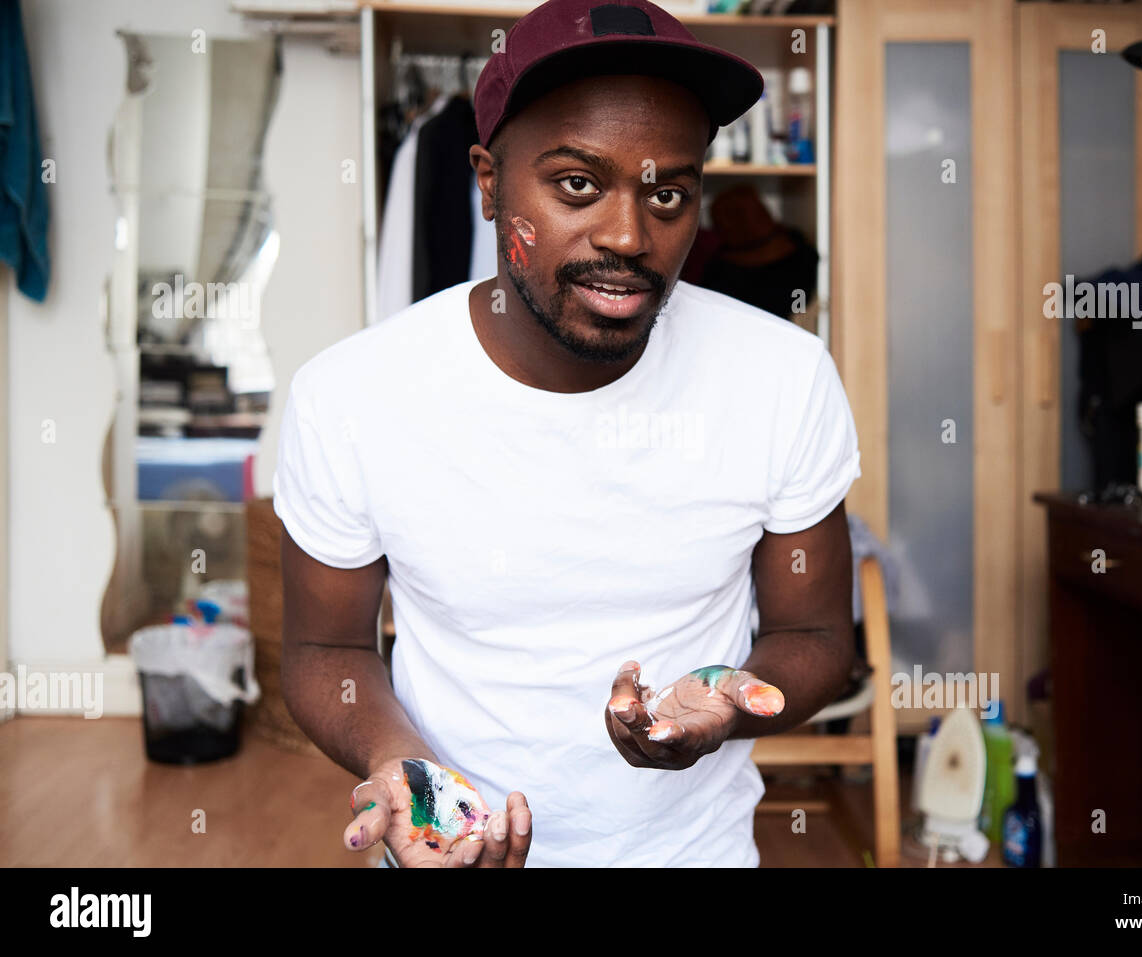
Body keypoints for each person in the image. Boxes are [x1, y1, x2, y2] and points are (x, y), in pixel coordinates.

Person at [273, 0, 861, 868]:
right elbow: (325, 649)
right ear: (487, 182)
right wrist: (405, 772)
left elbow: (815, 638)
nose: (629, 236)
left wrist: (732, 701)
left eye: (668, 192)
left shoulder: (782, 378)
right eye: (578, 185)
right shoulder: (352, 396)